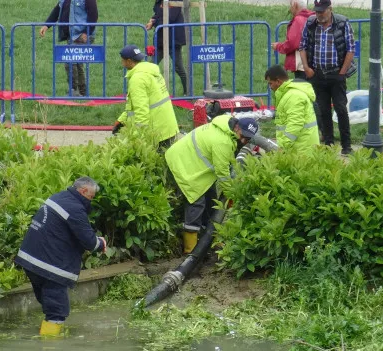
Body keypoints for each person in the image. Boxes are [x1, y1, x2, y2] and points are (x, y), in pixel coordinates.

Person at [15, 177, 108, 337]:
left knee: (49, 305)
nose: (91, 201)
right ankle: (50, 350)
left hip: (30, 261)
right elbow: (89, 242)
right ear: (84, 191)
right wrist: (101, 243)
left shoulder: (58, 197)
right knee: (57, 311)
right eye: (91, 197)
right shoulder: (75, 208)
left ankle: (48, 334)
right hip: (49, 266)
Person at [165, 115, 259, 253]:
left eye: (248, 138)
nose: (244, 140)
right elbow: (222, 173)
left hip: (193, 163)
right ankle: (190, 250)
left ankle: (207, 241)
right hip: (183, 164)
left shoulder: (226, 127)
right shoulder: (223, 142)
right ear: (237, 127)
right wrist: (232, 194)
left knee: (212, 200)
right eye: (243, 135)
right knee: (197, 202)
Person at [298, 0, 355, 155]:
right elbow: (302, 46)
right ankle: (329, 145)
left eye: (322, 11)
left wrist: (342, 72)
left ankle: (346, 146)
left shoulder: (342, 23)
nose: (319, 15)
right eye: (317, 11)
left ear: (330, 9)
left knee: (341, 109)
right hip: (317, 74)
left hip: (336, 74)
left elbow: (350, 49)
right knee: (323, 111)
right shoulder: (311, 24)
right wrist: (307, 68)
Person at [113, 45, 179, 150]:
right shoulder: (152, 72)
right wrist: (122, 120)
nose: (122, 63)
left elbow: (141, 111)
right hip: (168, 127)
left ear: (129, 61)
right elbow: (134, 105)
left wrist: (138, 137)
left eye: (122, 61)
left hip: (157, 133)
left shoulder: (137, 79)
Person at [40, 0, 99, 97]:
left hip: (81, 35)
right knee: (77, 63)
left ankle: (74, 90)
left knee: (70, 61)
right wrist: (47, 25)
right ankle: (82, 92)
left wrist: (86, 32)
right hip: (71, 36)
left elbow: (93, 14)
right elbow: (57, 9)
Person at [264, 64, 319, 152]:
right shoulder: (288, 94)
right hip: (298, 146)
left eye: (270, 83)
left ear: (278, 81)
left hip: (301, 150)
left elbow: (295, 124)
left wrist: (282, 147)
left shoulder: (294, 96)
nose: (270, 87)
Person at [146, 0, 189, 96]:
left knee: (178, 67)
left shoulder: (176, 1)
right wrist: (152, 21)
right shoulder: (159, 2)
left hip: (174, 40)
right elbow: (157, 14)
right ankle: (147, 91)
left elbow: (169, 18)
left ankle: (188, 92)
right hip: (161, 40)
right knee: (151, 66)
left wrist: (155, 20)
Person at [272, 0, 314, 80]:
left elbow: (292, 43)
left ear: (294, 5)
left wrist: (278, 46)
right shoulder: (312, 17)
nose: (290, 9)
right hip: (314, 63)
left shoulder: (298, 20)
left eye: (290, 5)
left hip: (301, 64)